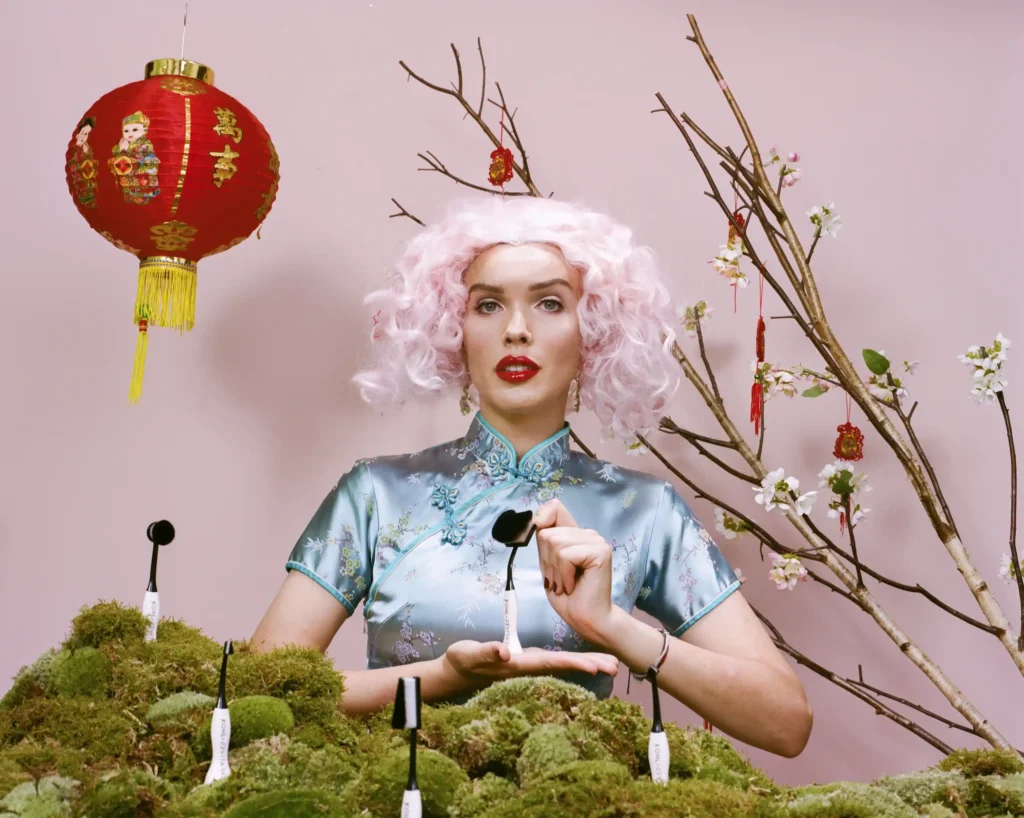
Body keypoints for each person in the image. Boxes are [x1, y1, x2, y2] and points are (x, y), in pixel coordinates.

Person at [251, 196, 813, 758]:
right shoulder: (376, 494)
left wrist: (613, 626)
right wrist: (440, 679)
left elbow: (786, 724)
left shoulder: (644, 510)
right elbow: (259, 697)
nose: (516, 330)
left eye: (549, 302)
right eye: (488, 305)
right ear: (454, 328)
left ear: (593, 331)